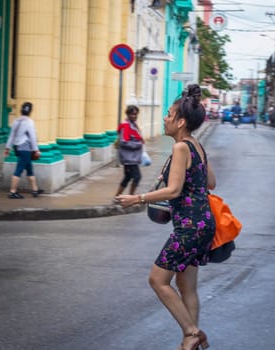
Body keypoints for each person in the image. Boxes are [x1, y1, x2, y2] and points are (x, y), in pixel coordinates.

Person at [115, 84, 216, 350]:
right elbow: (211, 182)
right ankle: (190, 341)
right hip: (203, 224)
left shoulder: (181, 148)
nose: (165, 118)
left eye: (169, 114)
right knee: (187, 286)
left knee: (158, 280)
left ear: (181, 121)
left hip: (190, 227)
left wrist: (137, 198)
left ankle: (192, 333)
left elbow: (173, 189)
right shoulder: (197, 145)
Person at [4, 102, 43, 199]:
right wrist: (36, 150)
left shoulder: (16, 121)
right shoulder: (29, 122)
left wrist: (7, 148)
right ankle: (12, 192)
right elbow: (32, 137)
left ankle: (35, 190)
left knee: (29, 169)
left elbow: (11, 136)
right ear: (30, 112)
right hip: (25, 148)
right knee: (19, 170)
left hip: (17, 147)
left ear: (21, 110)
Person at [114, 105, 144, 197]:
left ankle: (118, 197)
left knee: (128, 177)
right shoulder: (126, 126)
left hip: (132, 158)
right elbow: (124, 142)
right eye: (132, 114)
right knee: (137, 177)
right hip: (129, 159)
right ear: (128, 114)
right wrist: (138, 144)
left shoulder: (132, 125)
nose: (134, 116)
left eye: (136, 114)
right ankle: (130, 197)